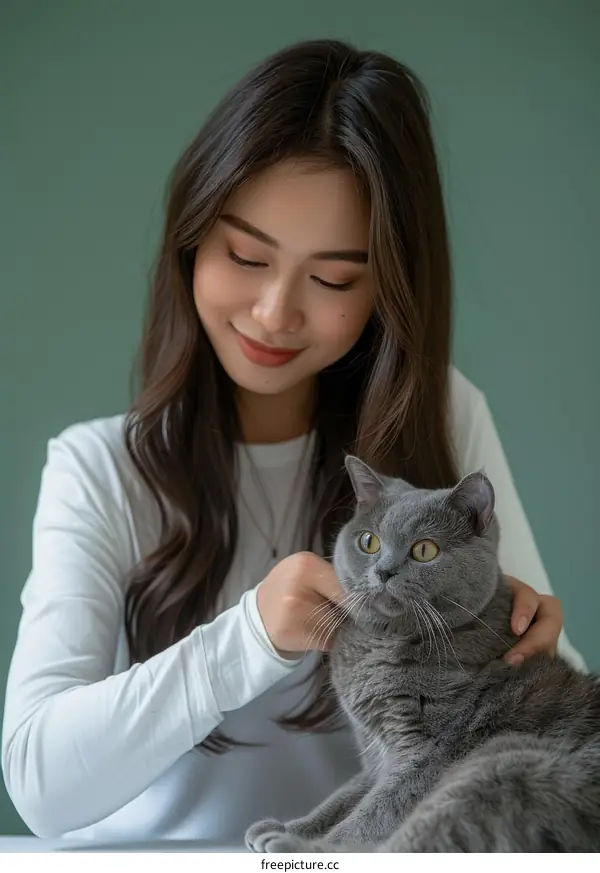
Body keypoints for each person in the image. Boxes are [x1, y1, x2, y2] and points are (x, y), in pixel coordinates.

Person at [1, 39, 585, 845]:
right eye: (246, 255)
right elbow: (37, 782)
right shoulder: (101, 468)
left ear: (388, 287)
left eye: (335, 279)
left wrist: (534, 640)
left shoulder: (442, 415)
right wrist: (246, 640)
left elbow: (553, 740)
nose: (276, 312)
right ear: (190, 240)